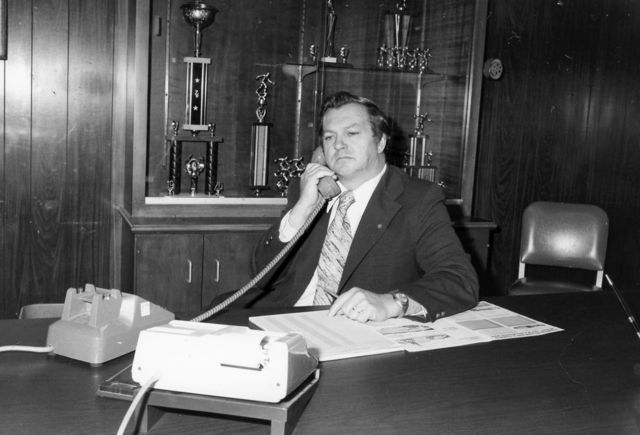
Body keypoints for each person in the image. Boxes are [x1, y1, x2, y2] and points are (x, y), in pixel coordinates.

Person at [248, 91, 478, 323]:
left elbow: (459, 280)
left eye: (352, 133)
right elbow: (261, 277)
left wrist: (392, 303)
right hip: (286, 317)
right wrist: (300, 212)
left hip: (356, 329)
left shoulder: (418, 199)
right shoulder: (307, 191)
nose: (338, 145)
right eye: (329, 137)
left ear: (381, 142)